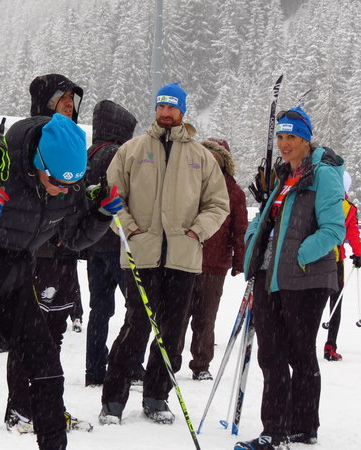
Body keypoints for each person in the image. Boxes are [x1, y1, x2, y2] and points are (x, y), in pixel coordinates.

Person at [0, 113, 119, 450]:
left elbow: (73, 238)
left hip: (12, 282)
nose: (63, 190)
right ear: (38, 162)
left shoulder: (67, 184)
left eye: (71, 184)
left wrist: (101, 215)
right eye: (56, 181)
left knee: (48, 370)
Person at [99, 82, 230, 425]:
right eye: (161, 106)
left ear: (182, 111)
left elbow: (218, 204)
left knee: (172, 332)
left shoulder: (201, 156)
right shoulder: (132, 149)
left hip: (183, 259)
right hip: (141, 255)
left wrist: (196, 232)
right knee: (136, 326)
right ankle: (113, 399)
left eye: (172, 107)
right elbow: (112, 196)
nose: (166, 112)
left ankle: (157, 396)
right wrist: (130, 229)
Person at [235, 106, 345, 449]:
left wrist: (298, 256)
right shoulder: (283, 175)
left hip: (305, 278)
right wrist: (253, 237)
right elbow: (265, 218)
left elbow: (334, 229)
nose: (284, 144)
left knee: (299, 354)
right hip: (270, 276)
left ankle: (298, 426)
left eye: (292, 137)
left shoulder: (322, 174)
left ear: (306, 139)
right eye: (280, 136)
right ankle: (278, 427)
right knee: (271, 354)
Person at [2, 73, 92, 435]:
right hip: (37, 254)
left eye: (73, 100)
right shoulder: (31, 139)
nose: (70, 105)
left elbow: (74, 198)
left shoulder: (70, 140)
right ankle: (20, 408)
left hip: (63, 253)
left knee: (53, 334)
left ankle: (47, 408)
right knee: (29, 334)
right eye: (62, 99)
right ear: (45, 102)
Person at [82, 99, 138, 387]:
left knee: (99, 310)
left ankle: (94, 368)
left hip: (94, 241)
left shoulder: (89, 153)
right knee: (135, 308)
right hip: (118, 242)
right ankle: (130, 364)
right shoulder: (119, 153)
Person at [186, 138, 248, 381]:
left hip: (214, 264)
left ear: (225, 163)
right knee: (177, 316)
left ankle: (201, 364)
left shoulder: (234, 192)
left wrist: (241, 261)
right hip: (184, 259)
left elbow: (240, 229)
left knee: (206, 317)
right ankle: (168, 360)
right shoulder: (188, 183)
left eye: (215, 159)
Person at [323, 171, 361, 362]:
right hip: (335, 261)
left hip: (315, 258)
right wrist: (359, 254)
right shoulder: (348, 208)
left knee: (311, 304)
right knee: (335, 303)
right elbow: (353, 234)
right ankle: (330, 346)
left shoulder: (319, 201)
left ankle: (302, 343)